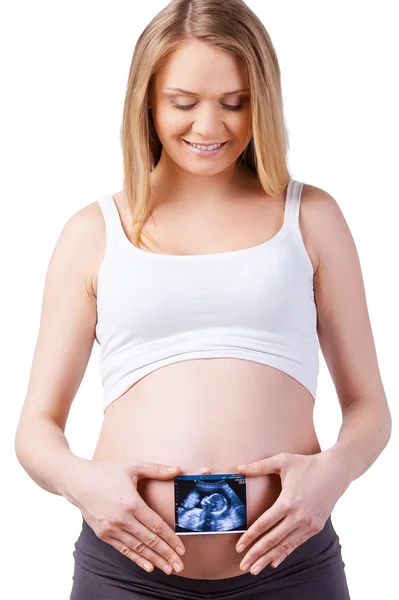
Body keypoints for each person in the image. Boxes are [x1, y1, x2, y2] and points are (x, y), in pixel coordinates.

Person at [15, 0, 391, 598]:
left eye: (234, 102)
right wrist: (79, 483)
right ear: (148, 102)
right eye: (184, 103)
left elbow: (370, 407)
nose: (209, 127)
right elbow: (35, 427)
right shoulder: (94, 231)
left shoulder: (312, 218)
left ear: (262, 101)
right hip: (129, 569)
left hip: (289, 565)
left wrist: (332, 476)